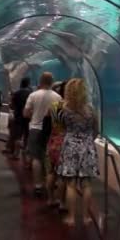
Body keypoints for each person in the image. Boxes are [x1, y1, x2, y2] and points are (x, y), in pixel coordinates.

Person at [57, 78, 99, 226]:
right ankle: (87, 217)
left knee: (71, 184)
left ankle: (71, 217)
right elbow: (96, 129)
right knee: (87, 184)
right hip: (87, 147)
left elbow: (62, 127)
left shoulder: (64, 109)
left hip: (70, 146)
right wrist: (87, 140)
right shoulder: (91, 110)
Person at [24, 72, 61, 196]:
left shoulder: (33, 95)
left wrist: (34, 117)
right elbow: (59, 116)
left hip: (35, 128)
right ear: (52, 82)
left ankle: (38, 185)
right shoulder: (57, 97)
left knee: (36, 158)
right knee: (49, 157)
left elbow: (26, 113)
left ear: (40, 81)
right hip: (51, 130)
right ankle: (50, 182)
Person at [46, 80, 67, 208]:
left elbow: (48, 120)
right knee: (63, 175)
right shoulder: (72, 109)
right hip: (65, 143)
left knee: (51, 172)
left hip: (53, 140)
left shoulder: (54, 106)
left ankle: (50, 199)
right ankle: (62, 202)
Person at [5, 77, 32, 159]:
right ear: (28, 84)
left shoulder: (17, 93)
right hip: (28, 117)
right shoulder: (31, 93)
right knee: (26, 135)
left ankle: (16, 154)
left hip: (18, 117)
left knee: (18, 136)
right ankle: (25, 153)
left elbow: (12, 106)